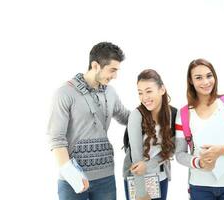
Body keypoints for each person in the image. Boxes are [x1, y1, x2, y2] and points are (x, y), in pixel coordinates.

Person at [47, 42, 130, 200]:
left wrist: (156, 112)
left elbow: (126, 117)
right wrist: (73, 176)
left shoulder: (111, 93)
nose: (115, 76)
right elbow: (56, 138)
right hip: (73, 181)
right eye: (112, 70)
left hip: (106, 177)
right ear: (95, 65)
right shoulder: (65, 93)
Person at [175, 58, 224, 200]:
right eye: (198, 78)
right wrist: (199, 162)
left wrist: (222, 150)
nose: (206, 82)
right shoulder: (183, 114)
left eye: (209, 75)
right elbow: (180, 154)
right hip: (200, 187)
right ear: (191, 81)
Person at [123, 69, 177, 200]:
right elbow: (136, 160)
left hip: (160, 177)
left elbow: (172, 149)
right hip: (136, 179)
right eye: (140, 93)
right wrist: (141, 193)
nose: (144, 98)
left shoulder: (173, 114)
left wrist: (148, 165)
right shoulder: (136, 116)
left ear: (162, 90)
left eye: (149, 91)